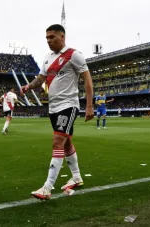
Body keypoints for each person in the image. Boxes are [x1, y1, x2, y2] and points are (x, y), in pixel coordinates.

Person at [21, 24, 94, 200]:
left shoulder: (74, 55)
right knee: (66, 142)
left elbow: (87, 80)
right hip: (53, 107)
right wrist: (28, 86)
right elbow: (41, 79)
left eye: (52, 37)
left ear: (62, 36)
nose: (48, 41)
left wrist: (89, 105)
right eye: (47, 38)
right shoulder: (47, 58)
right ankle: (76, 177)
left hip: (68, 105)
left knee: (57, 141)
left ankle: (47, 187)